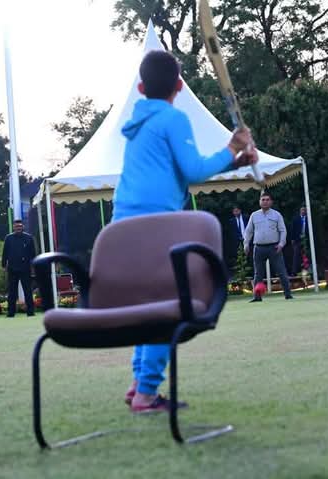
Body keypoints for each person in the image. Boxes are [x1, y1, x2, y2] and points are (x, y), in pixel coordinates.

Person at [113, 50, 258, 414]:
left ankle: (138, 384)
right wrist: (232, 145)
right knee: (169, 307)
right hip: (157, 224)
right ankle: (146, 392)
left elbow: (179, 171)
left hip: (123, 227)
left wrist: (234, 162)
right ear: (179, 85)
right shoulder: (173, 118)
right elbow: (193, 170)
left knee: (150, 306)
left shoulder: (138, 125)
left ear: (141, 88)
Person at [244, 192, 293, 302]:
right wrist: (246, 244)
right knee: (258, 274)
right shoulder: (254, 215)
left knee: (281, 271)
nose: (265, 202)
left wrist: (281, 244)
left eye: (267, 200)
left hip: (274, 248)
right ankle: (257, 297)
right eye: (263, 200)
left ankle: (288, 294)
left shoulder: (277, 215)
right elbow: (248, 231)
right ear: (259, 202)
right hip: (258, 248)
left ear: (271, 202)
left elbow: (283, 230)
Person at [1, 219, 36, 317]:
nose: (18, 228)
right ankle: (11, 312)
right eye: (16, 226)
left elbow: (33, 254)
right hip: (12, 268)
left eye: (20, 226)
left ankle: (30, 312)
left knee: (28, 291)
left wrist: (34, 266)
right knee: (12, 292)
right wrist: (3, 265)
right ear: (13, 227)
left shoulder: (29, 238)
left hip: (25, 268)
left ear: (23, 227)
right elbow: (5, 253)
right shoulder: (8, 238)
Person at [227, 206, 248, 272]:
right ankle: (240, 271)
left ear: (240, 210)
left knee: (248, 256)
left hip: (247, 240)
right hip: (237, 242)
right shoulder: (231, 221)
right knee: (239, 257)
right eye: (234, 211)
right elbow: (231, 233)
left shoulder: (246, 218)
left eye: (237, 211)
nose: (236, 212)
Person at [289, 205, 308, 274]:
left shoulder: (308, 219)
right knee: (296, 255)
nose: (303, 211)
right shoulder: (296, 219)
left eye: (304, 210)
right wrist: (292, 239)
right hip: (297, 240)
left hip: (306, 240)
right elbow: (292, 229)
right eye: (302, 210)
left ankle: (307, 270)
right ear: (300, 211)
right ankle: (294, 271)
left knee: (306, 255)